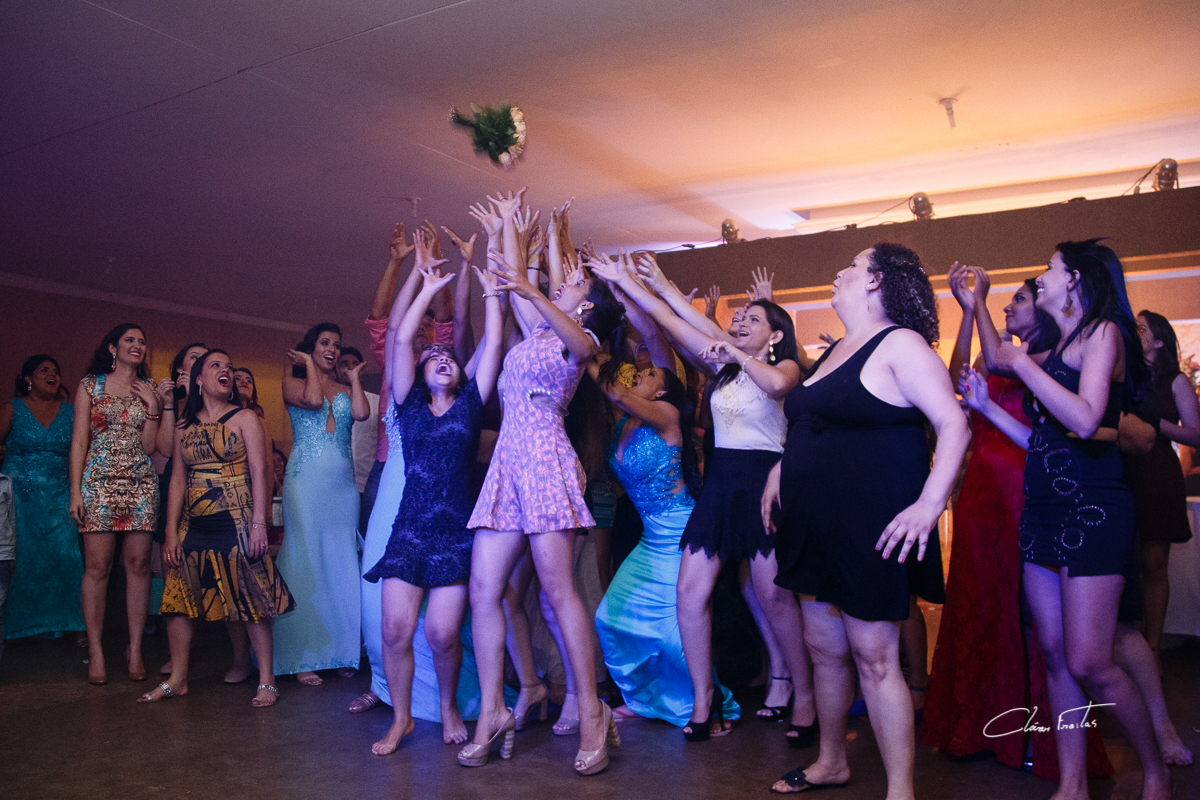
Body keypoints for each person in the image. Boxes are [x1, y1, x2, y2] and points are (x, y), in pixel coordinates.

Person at [961, 239, 1171, 800]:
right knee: (1053, 651)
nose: (1042, 276)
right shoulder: (1054, 348)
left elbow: (1083, 420)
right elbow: (1042, 440)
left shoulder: (1102, 334)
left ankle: (1154, 768)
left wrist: (1022, 365)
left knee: (1088, 659)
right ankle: (1072, 782)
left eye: (1050, 268)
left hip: (1095, 508)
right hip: (1044, 511)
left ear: (1075, 279)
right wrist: (984, 406)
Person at [764, 244, 969, 797]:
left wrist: (930, 504)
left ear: (876, 281)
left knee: (875, 659)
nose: (839, 270)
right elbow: (820, 423)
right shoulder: (835, 351)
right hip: (817, 523)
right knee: (825, 648)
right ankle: (832, 761)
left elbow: (953, 425)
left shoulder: (899, 343)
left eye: (851, 265)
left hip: (869, 522)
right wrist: (782, 468)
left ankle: (899, 791)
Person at [592, 251, 813, 745]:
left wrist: (734, 352)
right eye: (739, 318)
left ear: (775, 336)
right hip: (720, 486)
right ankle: (701, 699)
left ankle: (806, 694)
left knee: (775, 598)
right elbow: (674, 321)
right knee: (690, 595)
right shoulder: (729, 369)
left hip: (763, 485)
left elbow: (776, 384)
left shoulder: (787, 366)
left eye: (753, 319)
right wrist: (640, 282)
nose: (740, 322)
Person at [462, 188, 623, 775]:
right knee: (485, 589)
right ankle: (493, 713)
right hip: (509, 461)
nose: (564, 283)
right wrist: (507, 223)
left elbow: (574, 337)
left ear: (587, 305)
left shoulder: (582, 342)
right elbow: (510, 280)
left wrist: (537, 289)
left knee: (559, 592)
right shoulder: (536, 333)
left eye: (574, 285)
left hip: (547, 461)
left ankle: (592, 710)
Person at [363, 251, 503, 754]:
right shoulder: (406, 405)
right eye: (434, 358)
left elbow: (493, 345)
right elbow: (401, 337)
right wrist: (425, 284)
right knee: (395, 629)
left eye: (448, 357)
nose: (442, 359)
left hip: (454, 536)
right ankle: (400, 718)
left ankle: (445, 706)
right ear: (419, 375)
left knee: (443, 634)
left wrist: (492, 293)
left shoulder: (471, 402)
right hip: (409, 531)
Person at [139, 350, 294, 707]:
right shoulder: (184, 424)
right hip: (195, 523)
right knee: (179, 599)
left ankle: (267, 680)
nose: (226, 370)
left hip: (237, 520)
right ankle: (178, 679)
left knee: (251, 598)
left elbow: (261, 472)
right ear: (198, 379)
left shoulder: (245, 419)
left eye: (229, 366)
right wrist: (171, 531)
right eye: (216, 366)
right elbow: (178, 479)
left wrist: (259, 523)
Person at [591, 359, 740, 726]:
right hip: (649, 538)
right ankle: (647, 699)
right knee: (610, 618)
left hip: (679, 534)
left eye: (651, 374)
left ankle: (710, 703)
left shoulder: (666, 413)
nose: (640, 373)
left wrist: (588, 355)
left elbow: (614, 389)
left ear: (661, 391)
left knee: (677, 636)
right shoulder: (627, 420)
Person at [272, 322, 369, 685]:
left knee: (341, 560)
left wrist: (355, 378)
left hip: (343, 489)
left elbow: (361, 414)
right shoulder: (291, 383)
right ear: (309, 348)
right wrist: (310, 366)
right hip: (306, 482)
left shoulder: (346, 388)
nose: (332, 348)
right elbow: (313, 401)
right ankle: (301, 655)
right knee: (306, 557)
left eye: (336, 344)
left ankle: (342, 649)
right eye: (324, 343)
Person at [69, 324, 163, 685]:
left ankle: (135, 648)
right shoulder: (90, 386)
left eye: (142, 341)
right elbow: (79, 441)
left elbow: (152, 446)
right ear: (112, 347)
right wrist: (76, 492)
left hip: (140, 482)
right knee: (98, 567)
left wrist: (154, 407)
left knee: (139, 564)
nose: (137, 345)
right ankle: (96, 650)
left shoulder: (149, 389)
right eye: (129, 340)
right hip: (98, 481)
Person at [1126, 311, 1199, 669]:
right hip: (1125, 472)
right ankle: (1128, 644)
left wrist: (1158, 425)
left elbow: (1196, 433)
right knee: (1126, 562)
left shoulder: (1175, 381)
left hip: (1158, 474)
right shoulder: (1125, 375)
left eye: (1141, 329)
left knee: (1154, 564)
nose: (1134, 333)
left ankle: (1152, 646)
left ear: (1158, 340)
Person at [0, 356, 84, 641]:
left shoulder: (72, 412)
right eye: (44, 370)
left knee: (66, 556)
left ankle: (70, 623)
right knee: (19, 560)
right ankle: (17, 627)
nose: (53, 375)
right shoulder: (12, 409)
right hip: (19, 500)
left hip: (62, 494)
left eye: (56, 371)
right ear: (27, 378)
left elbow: (83, 447)